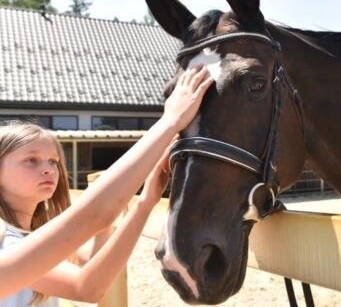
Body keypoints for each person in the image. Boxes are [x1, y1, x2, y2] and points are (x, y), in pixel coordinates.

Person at [0, 66, 213, 301]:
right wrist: (170, 121)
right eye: (31, 160)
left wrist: (145, 203)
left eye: (53, 161)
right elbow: (86, 287)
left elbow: (90, 260)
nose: (49, 168)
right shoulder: (5, 241)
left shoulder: (28, 234)